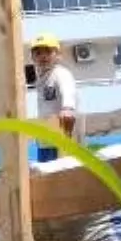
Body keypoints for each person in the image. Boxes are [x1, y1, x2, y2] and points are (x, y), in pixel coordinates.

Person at [30, 33, 80, 162]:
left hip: (62, 133)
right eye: (38, 53)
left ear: (58, 55)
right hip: (45, 137)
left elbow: (68, 90)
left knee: (63, 171)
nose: (43, 56)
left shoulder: (60, 73)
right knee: (46, 173)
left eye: (48, 51)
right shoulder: (41, 78)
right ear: (33, 57)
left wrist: (68, 107)